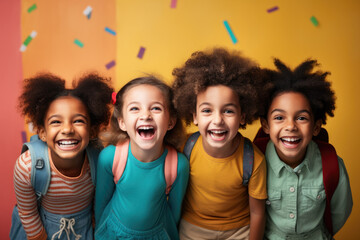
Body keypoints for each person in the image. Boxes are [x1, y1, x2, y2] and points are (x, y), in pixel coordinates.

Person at [172, 48, 267, 240]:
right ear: (194, 116)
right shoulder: (185, 147)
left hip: (239, 231)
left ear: (243, 116)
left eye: (228, 111)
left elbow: (258, 213)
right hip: (192, 228)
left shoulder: (253, 160)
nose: (218, 120)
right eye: (207, 110)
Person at [11, 73, 114, 240]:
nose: (67, 129)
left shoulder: (100, 160)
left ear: (92, 130)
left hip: (84, 229)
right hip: (42, 229)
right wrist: (38, 236)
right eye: (56, 122)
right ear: (42, 132)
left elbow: (100, 203)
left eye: (78, 121)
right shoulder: (28, 166)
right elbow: (27, 211)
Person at [258, 59, 353, 239]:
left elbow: (340, 212)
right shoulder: (254, 161)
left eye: (301, 118)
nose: (290, 126)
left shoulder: (331, 165)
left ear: (316, 127)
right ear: (266, 125)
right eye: (279, 117)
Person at [94, 76, 190, 240]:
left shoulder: (178, 165)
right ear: (122, 122)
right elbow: (100, 205)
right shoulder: (110, 157)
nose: (146, 115)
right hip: (114, 233)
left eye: (156, 108)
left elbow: (175, 214)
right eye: (134, 109)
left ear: (171, 122)